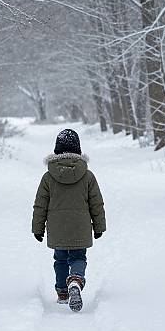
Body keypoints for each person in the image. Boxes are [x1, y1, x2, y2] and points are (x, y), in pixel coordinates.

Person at [32, 128, 106, 312]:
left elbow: (40, 205)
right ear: (78, 150)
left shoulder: (48, 177)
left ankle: (63, 293)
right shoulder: (88, 176)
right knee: (78, 257)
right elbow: (97, 204)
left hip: (57, 228)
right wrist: (99, 226)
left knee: (60, 259)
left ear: (57, 150)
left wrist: (38, 228)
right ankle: (76, 280)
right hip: (80, 227)